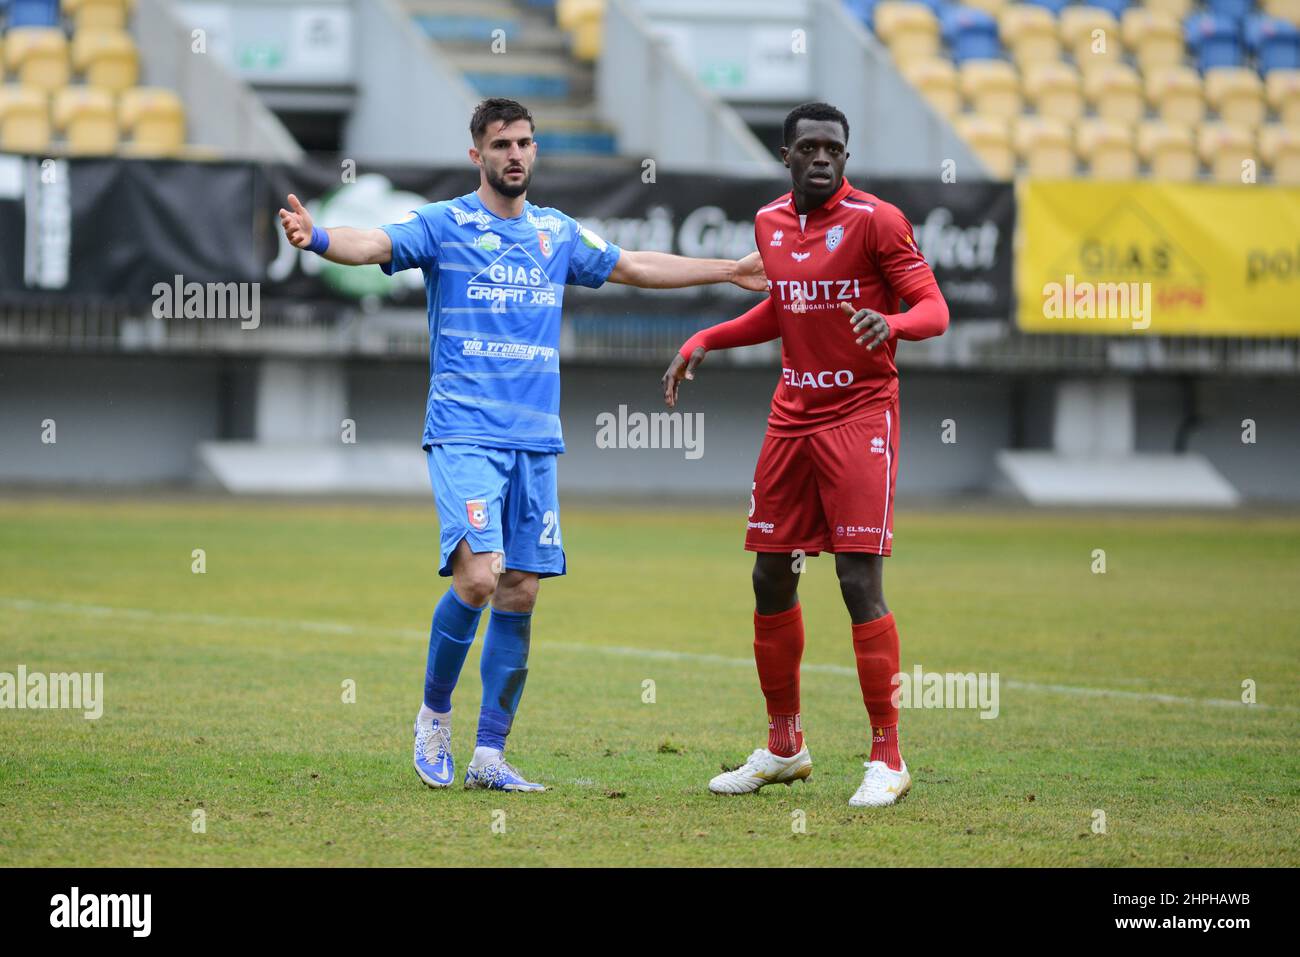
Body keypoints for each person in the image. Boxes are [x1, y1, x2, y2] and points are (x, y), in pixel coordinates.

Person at [280, 97, 766, 792]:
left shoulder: (553, 233)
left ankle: (490, 756)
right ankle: (433, 717)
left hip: (535, 441)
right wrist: (319, 237)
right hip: (464, 431)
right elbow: (377, 245)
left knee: (519, 591)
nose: (515, 154)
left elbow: (631, 265)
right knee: (477, 578)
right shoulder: (446, 225)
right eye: (502, 143)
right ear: (476, 154)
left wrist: (728, 272)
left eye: (525, 143)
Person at [661, 102, 949, 807]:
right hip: (792, 416)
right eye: (810, 148)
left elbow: (934, 310)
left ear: (846, 158)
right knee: (770, 577)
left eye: (835, 149)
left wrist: (893, 321)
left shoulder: (878, 221)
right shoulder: (768, 224)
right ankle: (785, 746)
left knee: (857, 582)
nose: (824, 158)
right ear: (787, 156)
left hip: (861, 415)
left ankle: (888, 755)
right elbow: (784, 309)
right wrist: (709, 337)